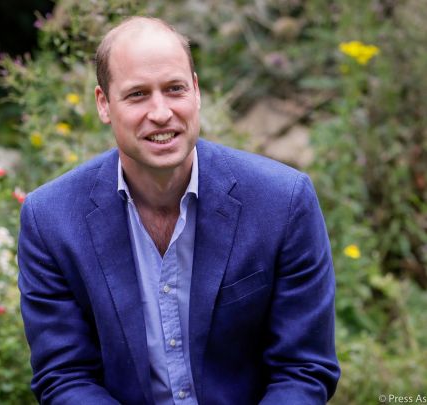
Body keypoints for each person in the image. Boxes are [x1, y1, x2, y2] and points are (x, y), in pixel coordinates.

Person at [17, 16, 340, 405]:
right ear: (104, 104)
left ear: (196, 92)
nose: (161, 112)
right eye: (138, 94)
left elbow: (303, 369)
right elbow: (65, 376)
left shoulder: (283, 202)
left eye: (175, 89)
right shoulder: (50, 220)